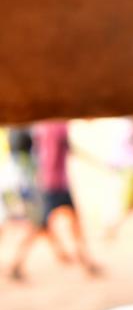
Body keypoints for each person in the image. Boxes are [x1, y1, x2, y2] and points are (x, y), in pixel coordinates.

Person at [9, 120, 100, 281]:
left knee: (72, 222)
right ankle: (16, 264)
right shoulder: (54, 125)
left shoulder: (52, 125)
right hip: (53, 184)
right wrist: (44, 182)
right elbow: (50, 153)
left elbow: (63, 148)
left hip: (56, 182)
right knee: (39, 226)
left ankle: (85, 260)